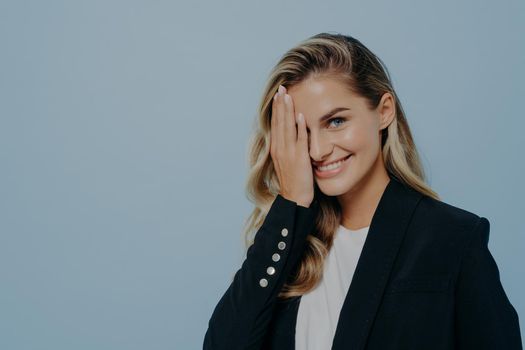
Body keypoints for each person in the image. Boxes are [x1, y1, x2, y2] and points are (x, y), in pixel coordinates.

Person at [202, 33, 522, 349]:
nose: (318, 150)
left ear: (383, 111)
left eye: (336, 121)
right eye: (302, 131)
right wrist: (291, 202)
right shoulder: (290, 242)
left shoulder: (454, 238)